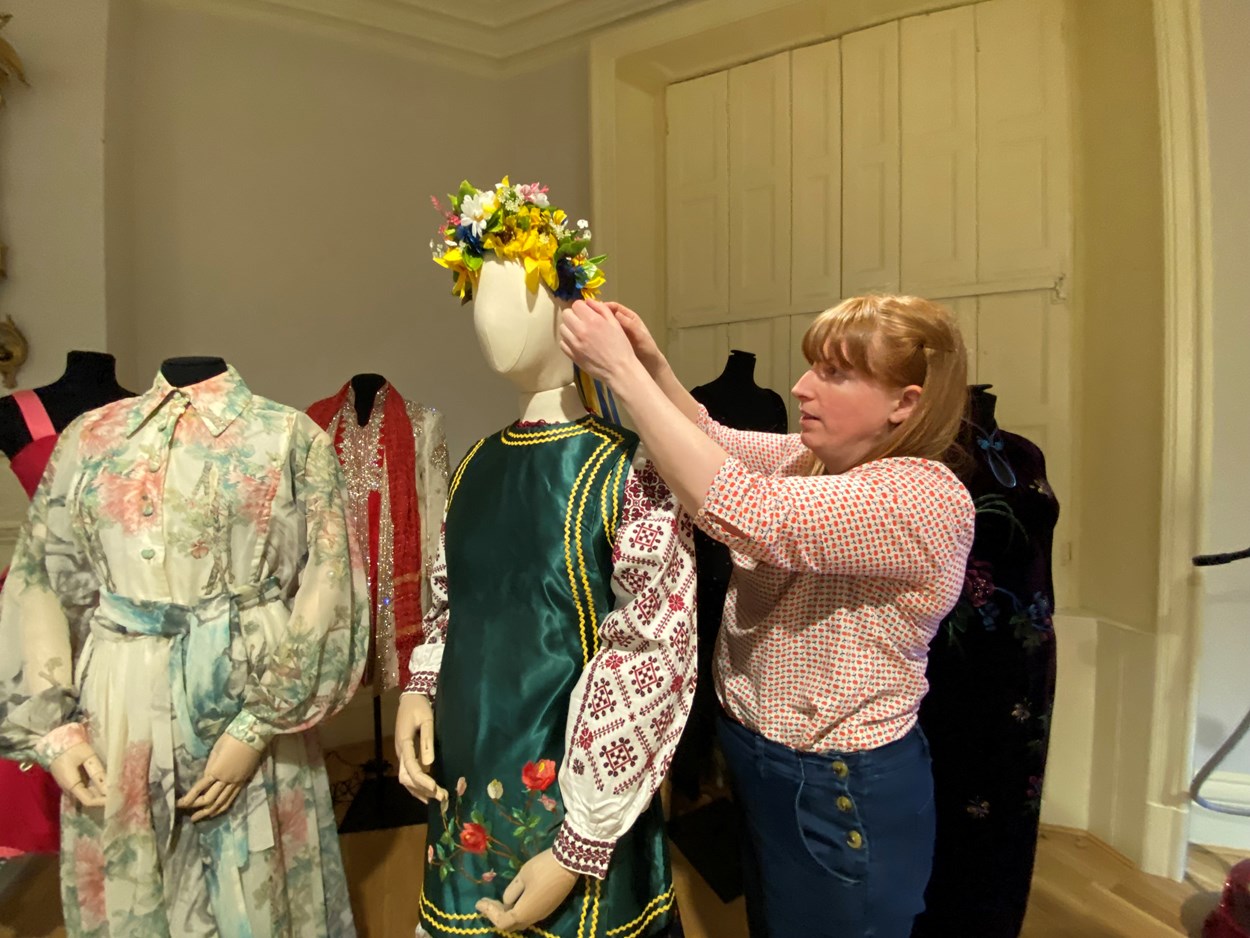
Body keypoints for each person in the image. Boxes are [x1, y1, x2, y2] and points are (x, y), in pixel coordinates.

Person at [559, 294, 976, 938]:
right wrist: (653, 363)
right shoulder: (812, 459)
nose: (801, 386)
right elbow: (714, 439)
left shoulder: (924, 497)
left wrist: (623, 375)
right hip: (770, 766)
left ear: (906, 403)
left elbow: (747, 512)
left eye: (834, 373)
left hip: (841, 790)